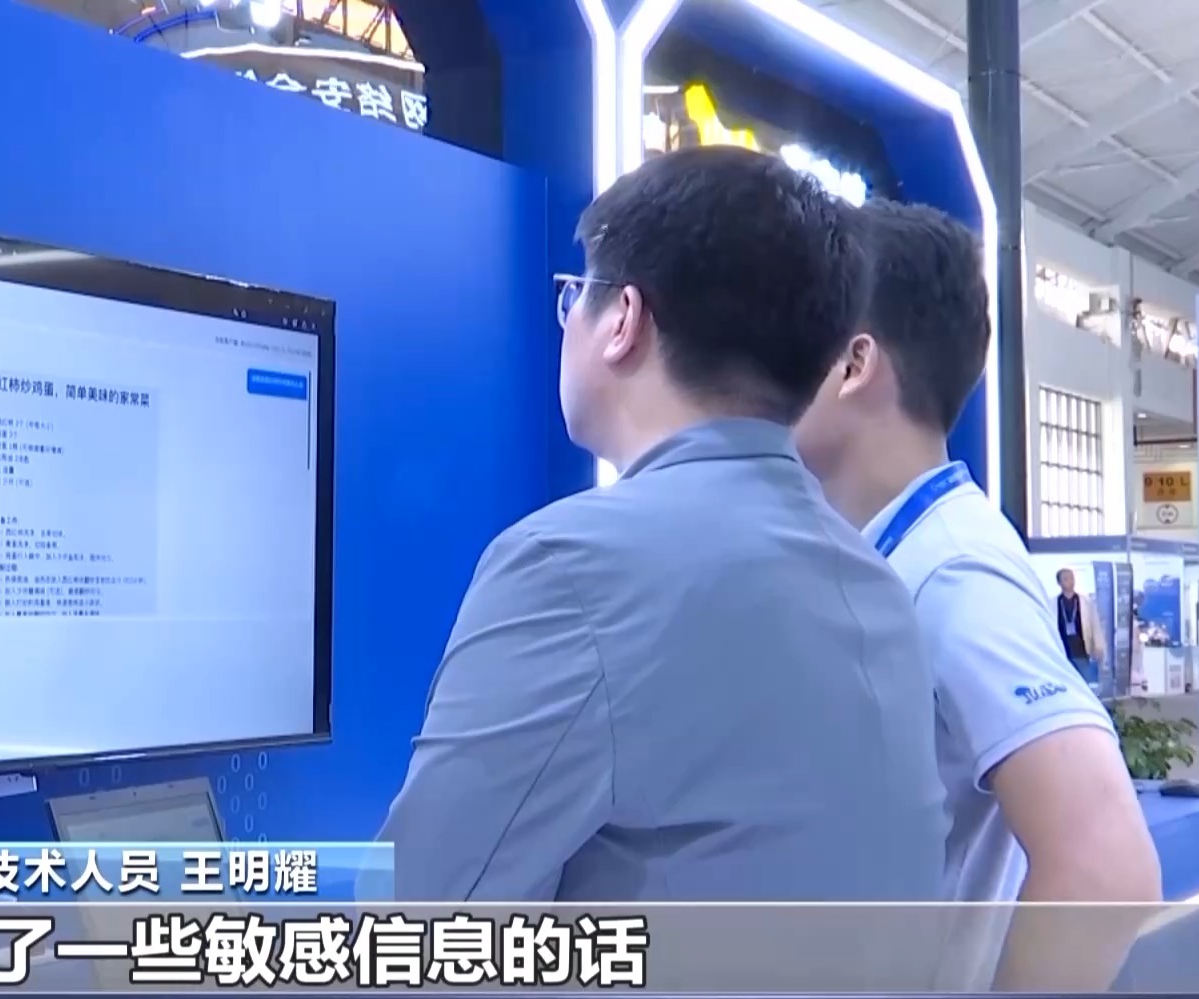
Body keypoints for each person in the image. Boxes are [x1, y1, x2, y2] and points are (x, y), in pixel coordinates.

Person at [377, 146, 947, 903]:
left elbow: (418, 918)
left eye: (576, 295)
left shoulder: (568, 569)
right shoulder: (878, 587)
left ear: (623, 319)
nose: (567, 321)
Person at [792, 200, 1161, 989]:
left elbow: (1107, 865)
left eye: (793, 331)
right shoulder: (893, 555)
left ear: (854, 364)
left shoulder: (954, 570)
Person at [1055, 568, 1105, 684]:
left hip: (1082, 650)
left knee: (1087, 682)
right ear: (1059, 583)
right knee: (1067, 683)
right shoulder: (1053, 603)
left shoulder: (1086, 602)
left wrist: (1098, 646)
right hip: (1063, 651)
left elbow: (1095, 625)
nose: (1070, 581)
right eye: (1066, 579)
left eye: (1072, 578)